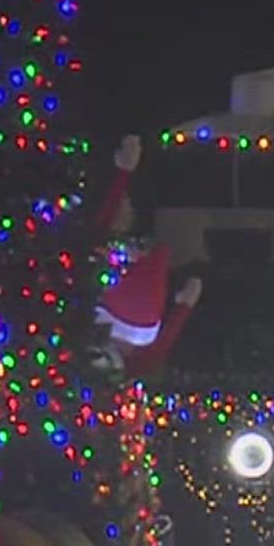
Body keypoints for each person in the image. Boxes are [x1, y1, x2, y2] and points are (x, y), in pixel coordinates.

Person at [91, 133, 202, 378]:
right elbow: (157, 351)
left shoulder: (109, 246)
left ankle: (125, 172)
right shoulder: (133, 364)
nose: (126, 209)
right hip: (130, 315)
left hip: (123, 313)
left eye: (126, 205)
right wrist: (183, 307)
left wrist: (183, 307)